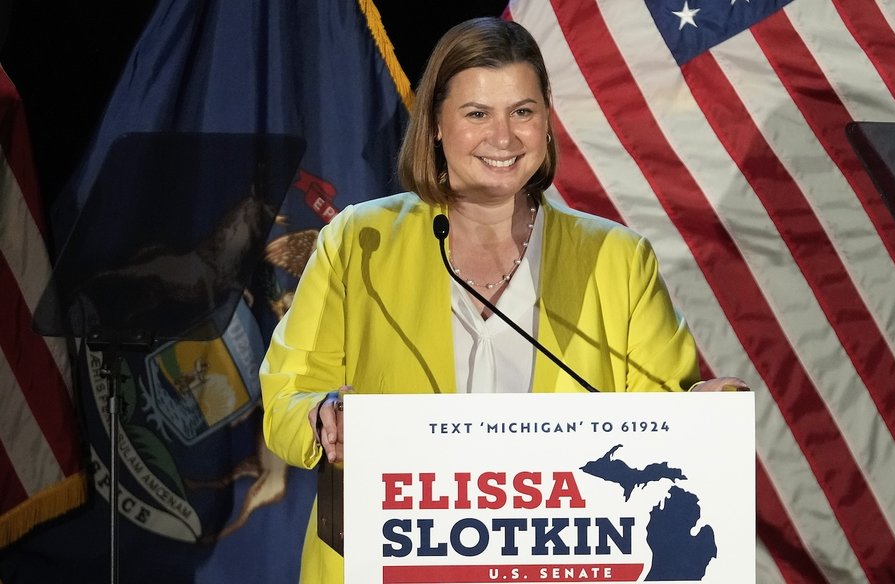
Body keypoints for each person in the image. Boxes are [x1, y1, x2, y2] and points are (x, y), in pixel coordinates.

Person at [259, 16, 747, 583]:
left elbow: (660, 427)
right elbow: (288, 396)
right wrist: (322, 418)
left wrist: (704, 411)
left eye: (523, 111)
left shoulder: (618, 257)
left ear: (546, 120)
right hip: (394, 560)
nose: (504, 137)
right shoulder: (358, 241)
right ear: (436, 124)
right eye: (476, 114)